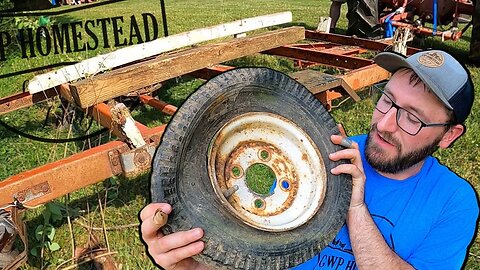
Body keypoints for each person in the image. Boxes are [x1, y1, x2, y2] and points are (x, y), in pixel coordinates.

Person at [139, 49, 479, 269]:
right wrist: (189, 265)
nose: (385, 124)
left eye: (413, 118)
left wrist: (355, 208)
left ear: (449, 135)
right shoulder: (323, 153)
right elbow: (249, 253)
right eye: (387, 100)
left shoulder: (453, 201)